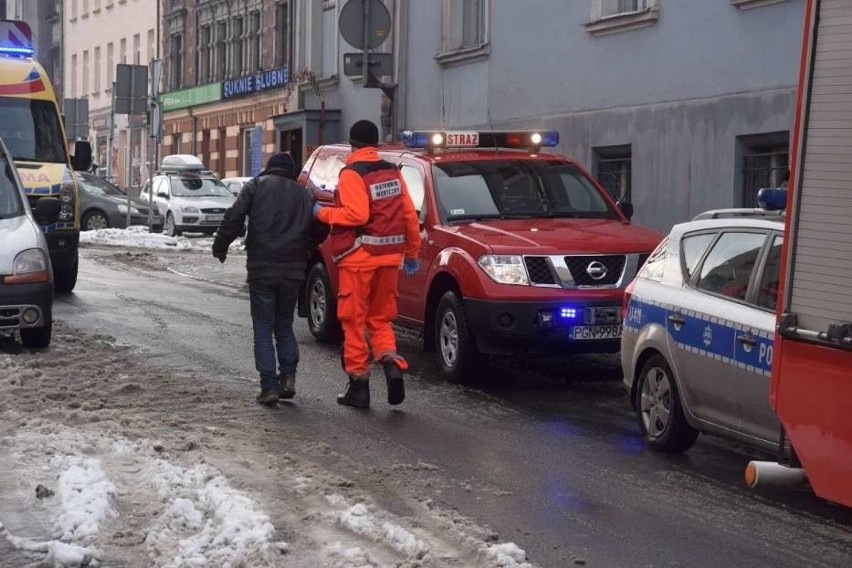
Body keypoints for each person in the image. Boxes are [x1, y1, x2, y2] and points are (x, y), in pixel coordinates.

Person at [313, 120, 421, 409]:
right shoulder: (392, 171)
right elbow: (409, 215)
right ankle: (391, 362)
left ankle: (358, 386)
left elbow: (356, 215)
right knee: (380, 319)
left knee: (353, 321)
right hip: (390, 260)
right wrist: (411, 252)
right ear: (375, 144)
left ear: (353, 144)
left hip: (359, 260)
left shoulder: (352, 173)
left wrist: (323, 213)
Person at [213, 152, 328, 405]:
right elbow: (322, 226)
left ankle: (269, 386)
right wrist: (306, 249)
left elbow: (234, 217)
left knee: (263, 327)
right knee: (284, 326)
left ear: (270, 168)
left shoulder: (255, 186)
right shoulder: (305, 194)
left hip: (261, 268)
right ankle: (288, 377)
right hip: (293, 270)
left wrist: (220, 246)